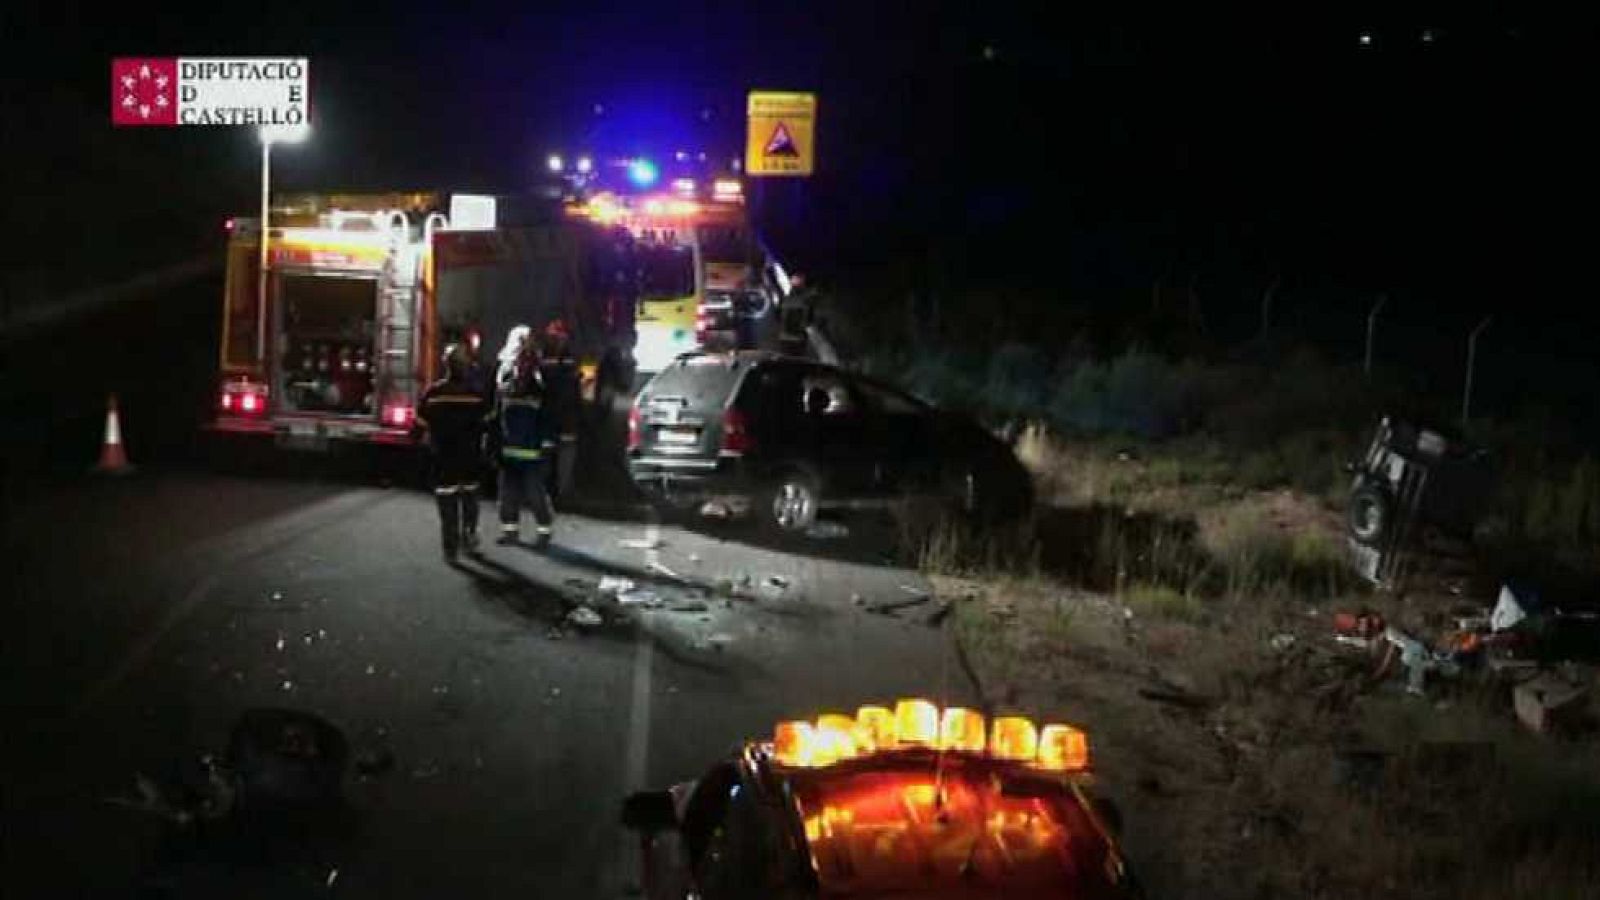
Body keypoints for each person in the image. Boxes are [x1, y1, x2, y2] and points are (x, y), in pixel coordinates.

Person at [413, 343, 491, 561]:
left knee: (447, 504)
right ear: (466, 366)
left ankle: (450, 548)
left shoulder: (434, 393)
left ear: (445, 365)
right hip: (470, 458)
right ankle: (469, 537)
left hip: (443, 458)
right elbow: (486, 424)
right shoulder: (476, 394)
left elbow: (419, 424)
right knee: (469, 500)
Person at [493, 336, 556, 547]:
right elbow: (497, 415)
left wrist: (547, 443)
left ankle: (543, 530)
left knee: (533, 493)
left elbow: (548, 416)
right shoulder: (507, 384)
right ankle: (511, 531)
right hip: (512, 448)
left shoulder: (540, 385)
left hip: (530, 450)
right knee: (509, 494)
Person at [538, 319, 581, 507]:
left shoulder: (550, 359)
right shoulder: (560, 360)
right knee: (550, 453)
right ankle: (547, 491)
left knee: (562, 454)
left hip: (561, 415)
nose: (559, 340)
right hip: (552, 414)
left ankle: (560, 492)